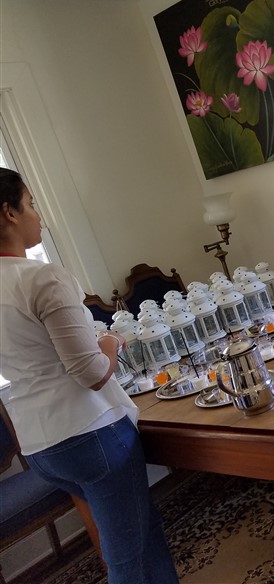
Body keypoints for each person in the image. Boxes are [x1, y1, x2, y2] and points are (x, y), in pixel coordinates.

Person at [0, 168, 178, 584]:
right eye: (31, 204)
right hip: (90, 432)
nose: (38, 215)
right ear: (9, 212)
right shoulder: (42, 276)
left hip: (40, 444)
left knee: (141, 532)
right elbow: (92, 373)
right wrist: (111, 341)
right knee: (125, 558)